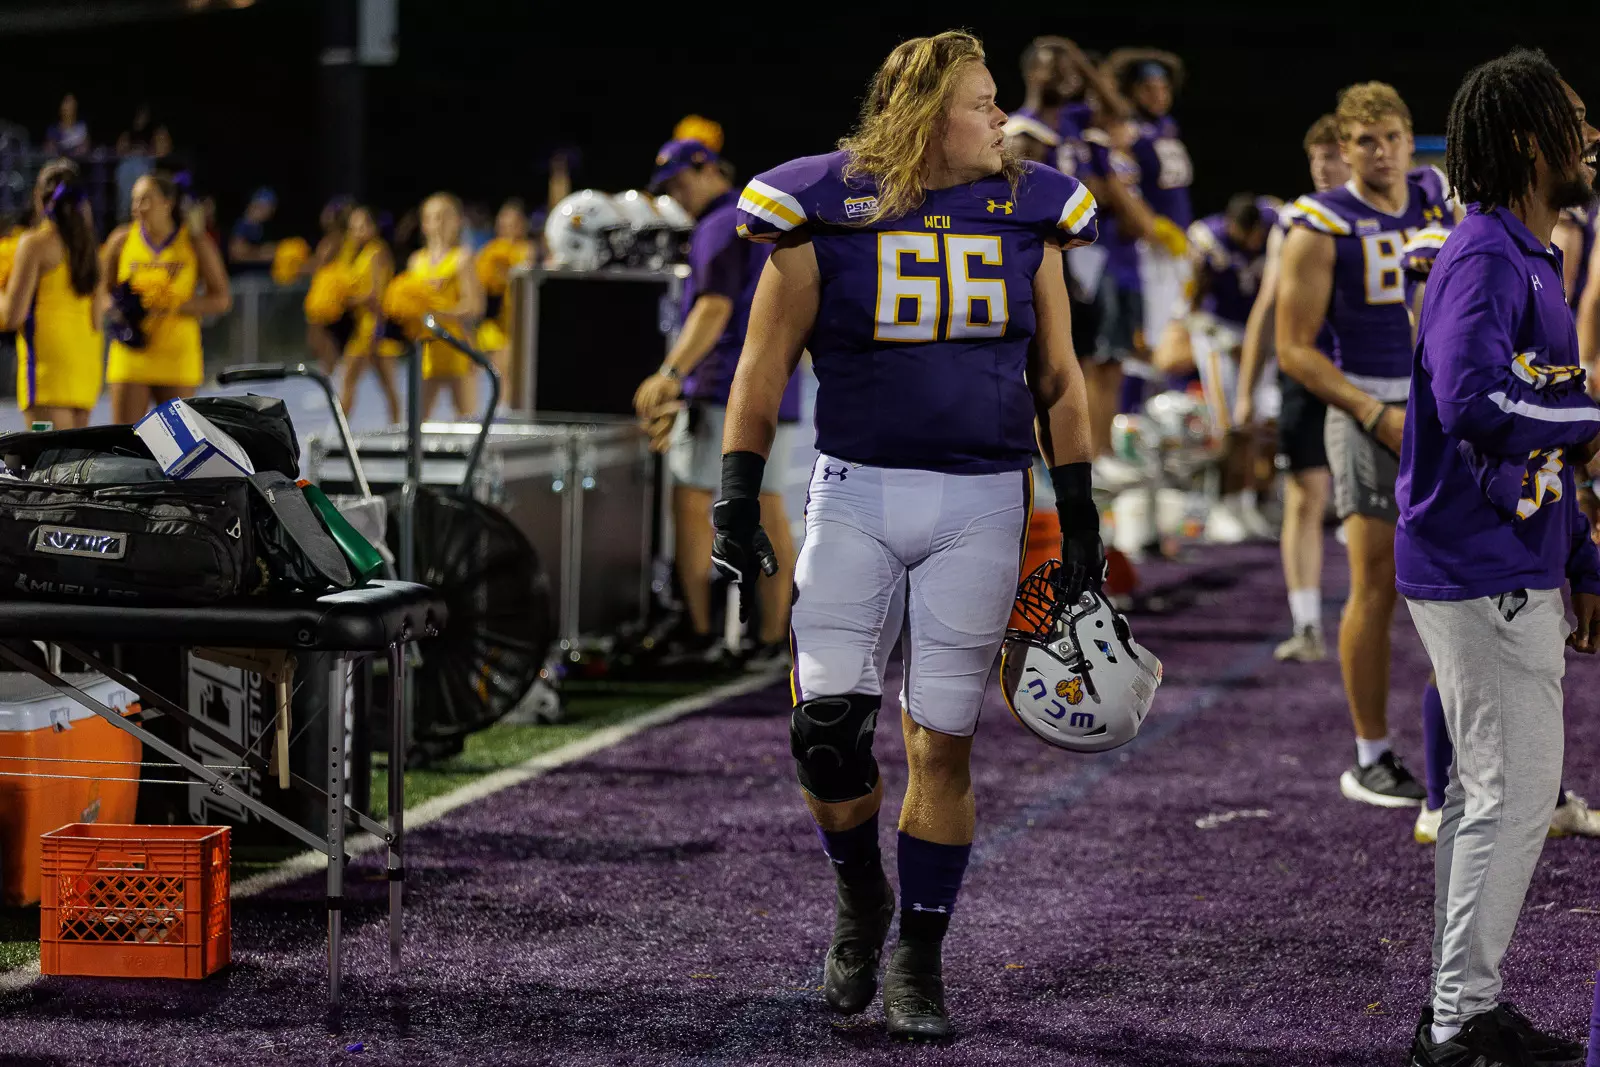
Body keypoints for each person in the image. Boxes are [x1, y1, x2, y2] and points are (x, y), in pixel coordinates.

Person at [715, 31, 1101, 1041]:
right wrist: (732, 493)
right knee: (827, 734)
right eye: (982, 102)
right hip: (853, 492)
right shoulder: (819, 206)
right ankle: (860, 894)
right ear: (929, 117)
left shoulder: (1030, 208)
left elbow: (1058, 377)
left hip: (982, 498)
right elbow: (761, 369)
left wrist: (1082, 517)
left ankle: (918, 954)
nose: (1001, 121)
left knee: (941, 739)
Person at [1399, 48, 1600, 1067]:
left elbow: (1534, 419)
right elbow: (1467, 399)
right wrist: (1596, 410)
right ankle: (1455, 1018)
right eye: (1572, 117)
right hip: (1476, 559)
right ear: (1527, 139)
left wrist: (1582, 555)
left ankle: (1458, 1004)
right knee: (1512, 792)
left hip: (1507, 552)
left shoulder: (1523, 249)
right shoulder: (1485, 251)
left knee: (1491, 793)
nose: (1591, 133)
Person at [1276, 82, 1454, 807]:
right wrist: (1371, 412)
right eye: (1366, 141)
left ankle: (1467, 743)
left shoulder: (1436, 196)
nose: (1381, 153)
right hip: (1364, 404)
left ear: (1411, 140)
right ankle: (1372, 753)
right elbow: (1294, 348)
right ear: (1343, 148)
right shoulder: (1320, 222)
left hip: (1440, 403)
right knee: (1376, 581)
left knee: (1466, 579)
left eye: (1392, 138)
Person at [631, 139, 801, 664]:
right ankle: (774, 636)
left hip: (726, 383)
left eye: (683, 182)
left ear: (709, 170)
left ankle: (699, 631)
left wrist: (670, 372)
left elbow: (713, 307)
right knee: (768, 505)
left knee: (693, 501)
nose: (678, 196)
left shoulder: (715, 225)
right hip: (778, 382)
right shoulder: (761, 217)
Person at [1238, 115, 1351, 660]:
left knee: (1386, 503)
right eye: (1317, 157)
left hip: (1367, 374)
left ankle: (1384, 604)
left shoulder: (1386, 215)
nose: (1325, 167)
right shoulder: (1296, 222)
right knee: (1307, 497)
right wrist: (1244, 388)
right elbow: (1266, 303)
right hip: (1306, 372)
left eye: (1334, 155)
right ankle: (1307, 623)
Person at [98, 171, 231, 423]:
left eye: (146, 199)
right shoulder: (121, 240)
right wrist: (120, 310)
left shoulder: (193, 242)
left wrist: (173, 304)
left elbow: (221, 298)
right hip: (131, 355)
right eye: (135, 200)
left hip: (177, 357)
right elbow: (102, 292)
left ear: (168, 202)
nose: (137, 207)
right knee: (126, 442)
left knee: (179, 448)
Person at [1183, 193, 1276, 542]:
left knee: (1260, 420)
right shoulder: (1209, 240)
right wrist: (1212, 331)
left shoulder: (1274, 221)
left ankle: (1247, 500)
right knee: (1229, 424)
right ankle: (1222, 505)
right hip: (1219, 331)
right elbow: (1191, 299)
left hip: (1259, 331)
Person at [0, 161, 101, 428]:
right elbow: (97, 319)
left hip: (47, 374)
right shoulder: (90, 246)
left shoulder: (35, 243)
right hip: (85, 371)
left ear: (39, 196)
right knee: (77, 468)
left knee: (48, 468)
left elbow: (12, 315)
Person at [1109, 50, 1194, 363]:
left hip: (1176, 240)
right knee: (1151, 332)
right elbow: (1122, 184)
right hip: (1149, 243)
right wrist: (1152, 225)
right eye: (1149, 89)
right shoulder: (1128, 131)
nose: (1159, 96)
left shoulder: (1167, 126)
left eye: (1164, 88)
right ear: (1132, 91)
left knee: (1176, 326)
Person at [407, 192, 484, 420]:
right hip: (427, 350)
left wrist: (438, 314)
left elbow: (475, 306)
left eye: (444, 217)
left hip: (457, 348)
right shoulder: (416, 261)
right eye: (432, 217)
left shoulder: (462, 257)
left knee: (467, 421)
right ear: (424, 224)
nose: (438, 223)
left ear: (457, 221)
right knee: (417, 420)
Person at [338, 205, 403, 425]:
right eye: (353, 227)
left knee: (354, 379)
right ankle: (343, 429)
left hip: (375, 326)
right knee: (375, 382)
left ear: (374, 227)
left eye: (362, 225)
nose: (357, 231)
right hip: (363, 326)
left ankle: (341, 429)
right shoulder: (357, 253)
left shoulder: (376, 251)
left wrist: (346, 299)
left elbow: (375, 294)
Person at [305, 197, 358, 375]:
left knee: (319, 337)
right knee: (322, 337)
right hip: (330, 291)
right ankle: (332, 372)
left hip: (330, 294)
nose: (323, 216)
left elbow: (319, 264)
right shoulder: (342, 238)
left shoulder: (335, 239)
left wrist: (297, 267)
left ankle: (331, 374)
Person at [228, 187, 278, 272]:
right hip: (242, 278)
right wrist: (262, 253)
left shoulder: (259, 226)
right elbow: (235, 254)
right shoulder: (243, 225)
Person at [44, 94, 89, 160]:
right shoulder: (53, 130)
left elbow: (85, 148)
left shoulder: (82, 127)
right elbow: (49, 150)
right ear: (61, 107)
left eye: (73, 102)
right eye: (67, 102)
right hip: (59, 166)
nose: (70, 106)